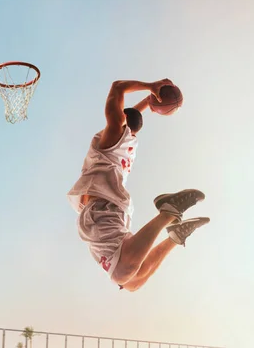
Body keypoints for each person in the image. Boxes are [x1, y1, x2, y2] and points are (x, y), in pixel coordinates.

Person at [67, 78, 210, 292]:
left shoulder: (115, 133)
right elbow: (128, 112)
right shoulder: (125, 140)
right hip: (108, 210)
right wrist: (149, 98)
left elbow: (118, 91)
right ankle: (175, 236)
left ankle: (168, 212)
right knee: (132, 282)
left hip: (103, 211)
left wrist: (149, 90)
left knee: (126, 275)